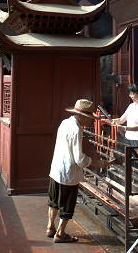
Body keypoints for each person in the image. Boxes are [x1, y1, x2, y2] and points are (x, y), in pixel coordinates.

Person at [47, 99, 110, 243]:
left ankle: (50, 227)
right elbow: (79, 159)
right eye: (89, 118)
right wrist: (97, 162)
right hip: (68, 173)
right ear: (82, 116)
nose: (90, 121)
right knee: (67, 205)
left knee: (54, 201)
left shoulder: (64, 123)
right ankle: (60, 233)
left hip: (56, 168)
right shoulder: (76, 129)